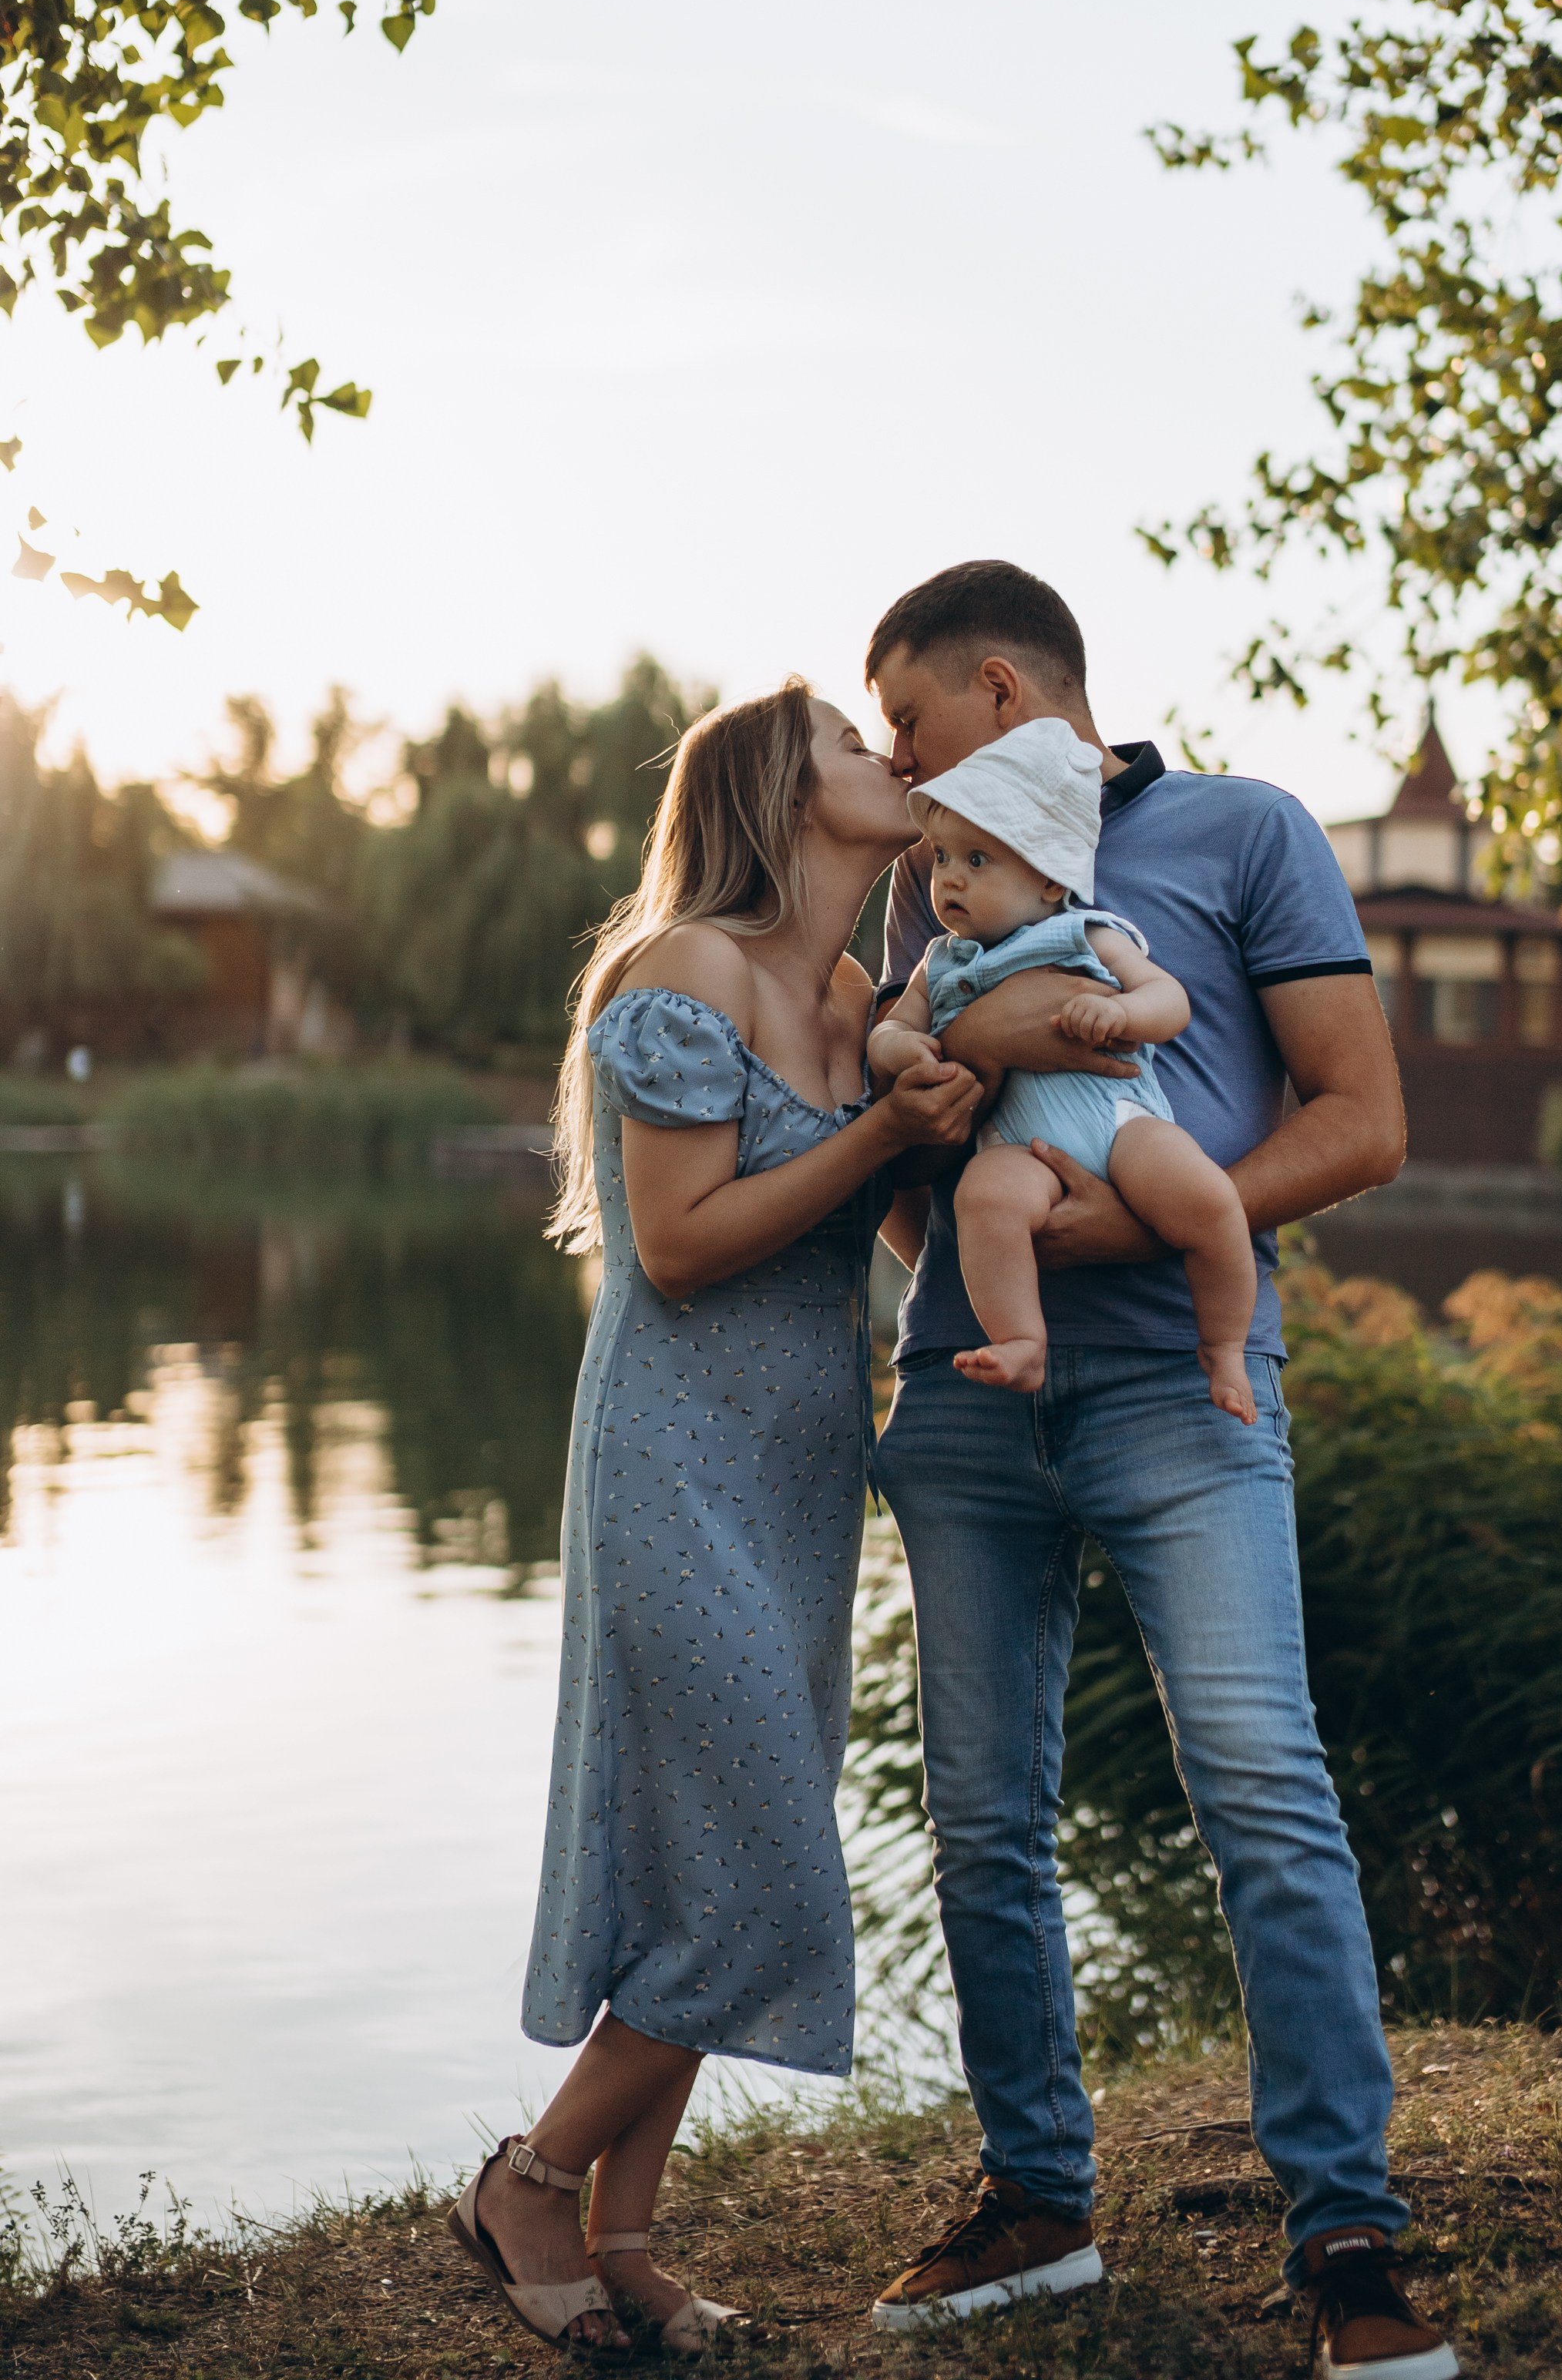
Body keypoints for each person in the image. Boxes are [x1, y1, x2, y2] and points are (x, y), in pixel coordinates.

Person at [862, 564, 1461, 2380]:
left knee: (1262, 1785)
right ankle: (1036, 2200)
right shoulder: (932, 888)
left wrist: (1127, 1233)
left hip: (1178, 1402)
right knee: (979, 1818)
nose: (892, 772)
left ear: (992, 688)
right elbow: (903, 1179)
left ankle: (1342, 2229)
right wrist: (937, 1127)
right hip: (965, 1402)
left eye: (900, 723)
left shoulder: (1243, 832)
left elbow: (1358, 1121)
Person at [449, 681, 981, 2358]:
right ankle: (531, 2180)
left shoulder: (847, 992)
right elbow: (678, 1245)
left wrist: (974, 1184)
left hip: (804, 1475)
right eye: (844, 739)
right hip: (674, 1463)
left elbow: (885, 1235)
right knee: (762, 1863)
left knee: (716, 1854)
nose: (883, 755)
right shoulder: (684, 973)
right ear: (777, 791)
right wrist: (885, 1131)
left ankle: (627, 2242)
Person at [868, 716, 1256, 1415]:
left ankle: (1225, 1346)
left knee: (1209, 1202)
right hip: (1023, 1148)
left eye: (977, 861)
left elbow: (1168, 1001)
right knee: (983, 1198)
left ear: (1050, 880)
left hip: (1122, 1124)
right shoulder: (941, 962)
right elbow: (888, 1034)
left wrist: (1123, 1016)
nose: (950, 878)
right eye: (945, 858)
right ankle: (1022, 1340)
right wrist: (910, 1050)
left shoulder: (1083, 933)